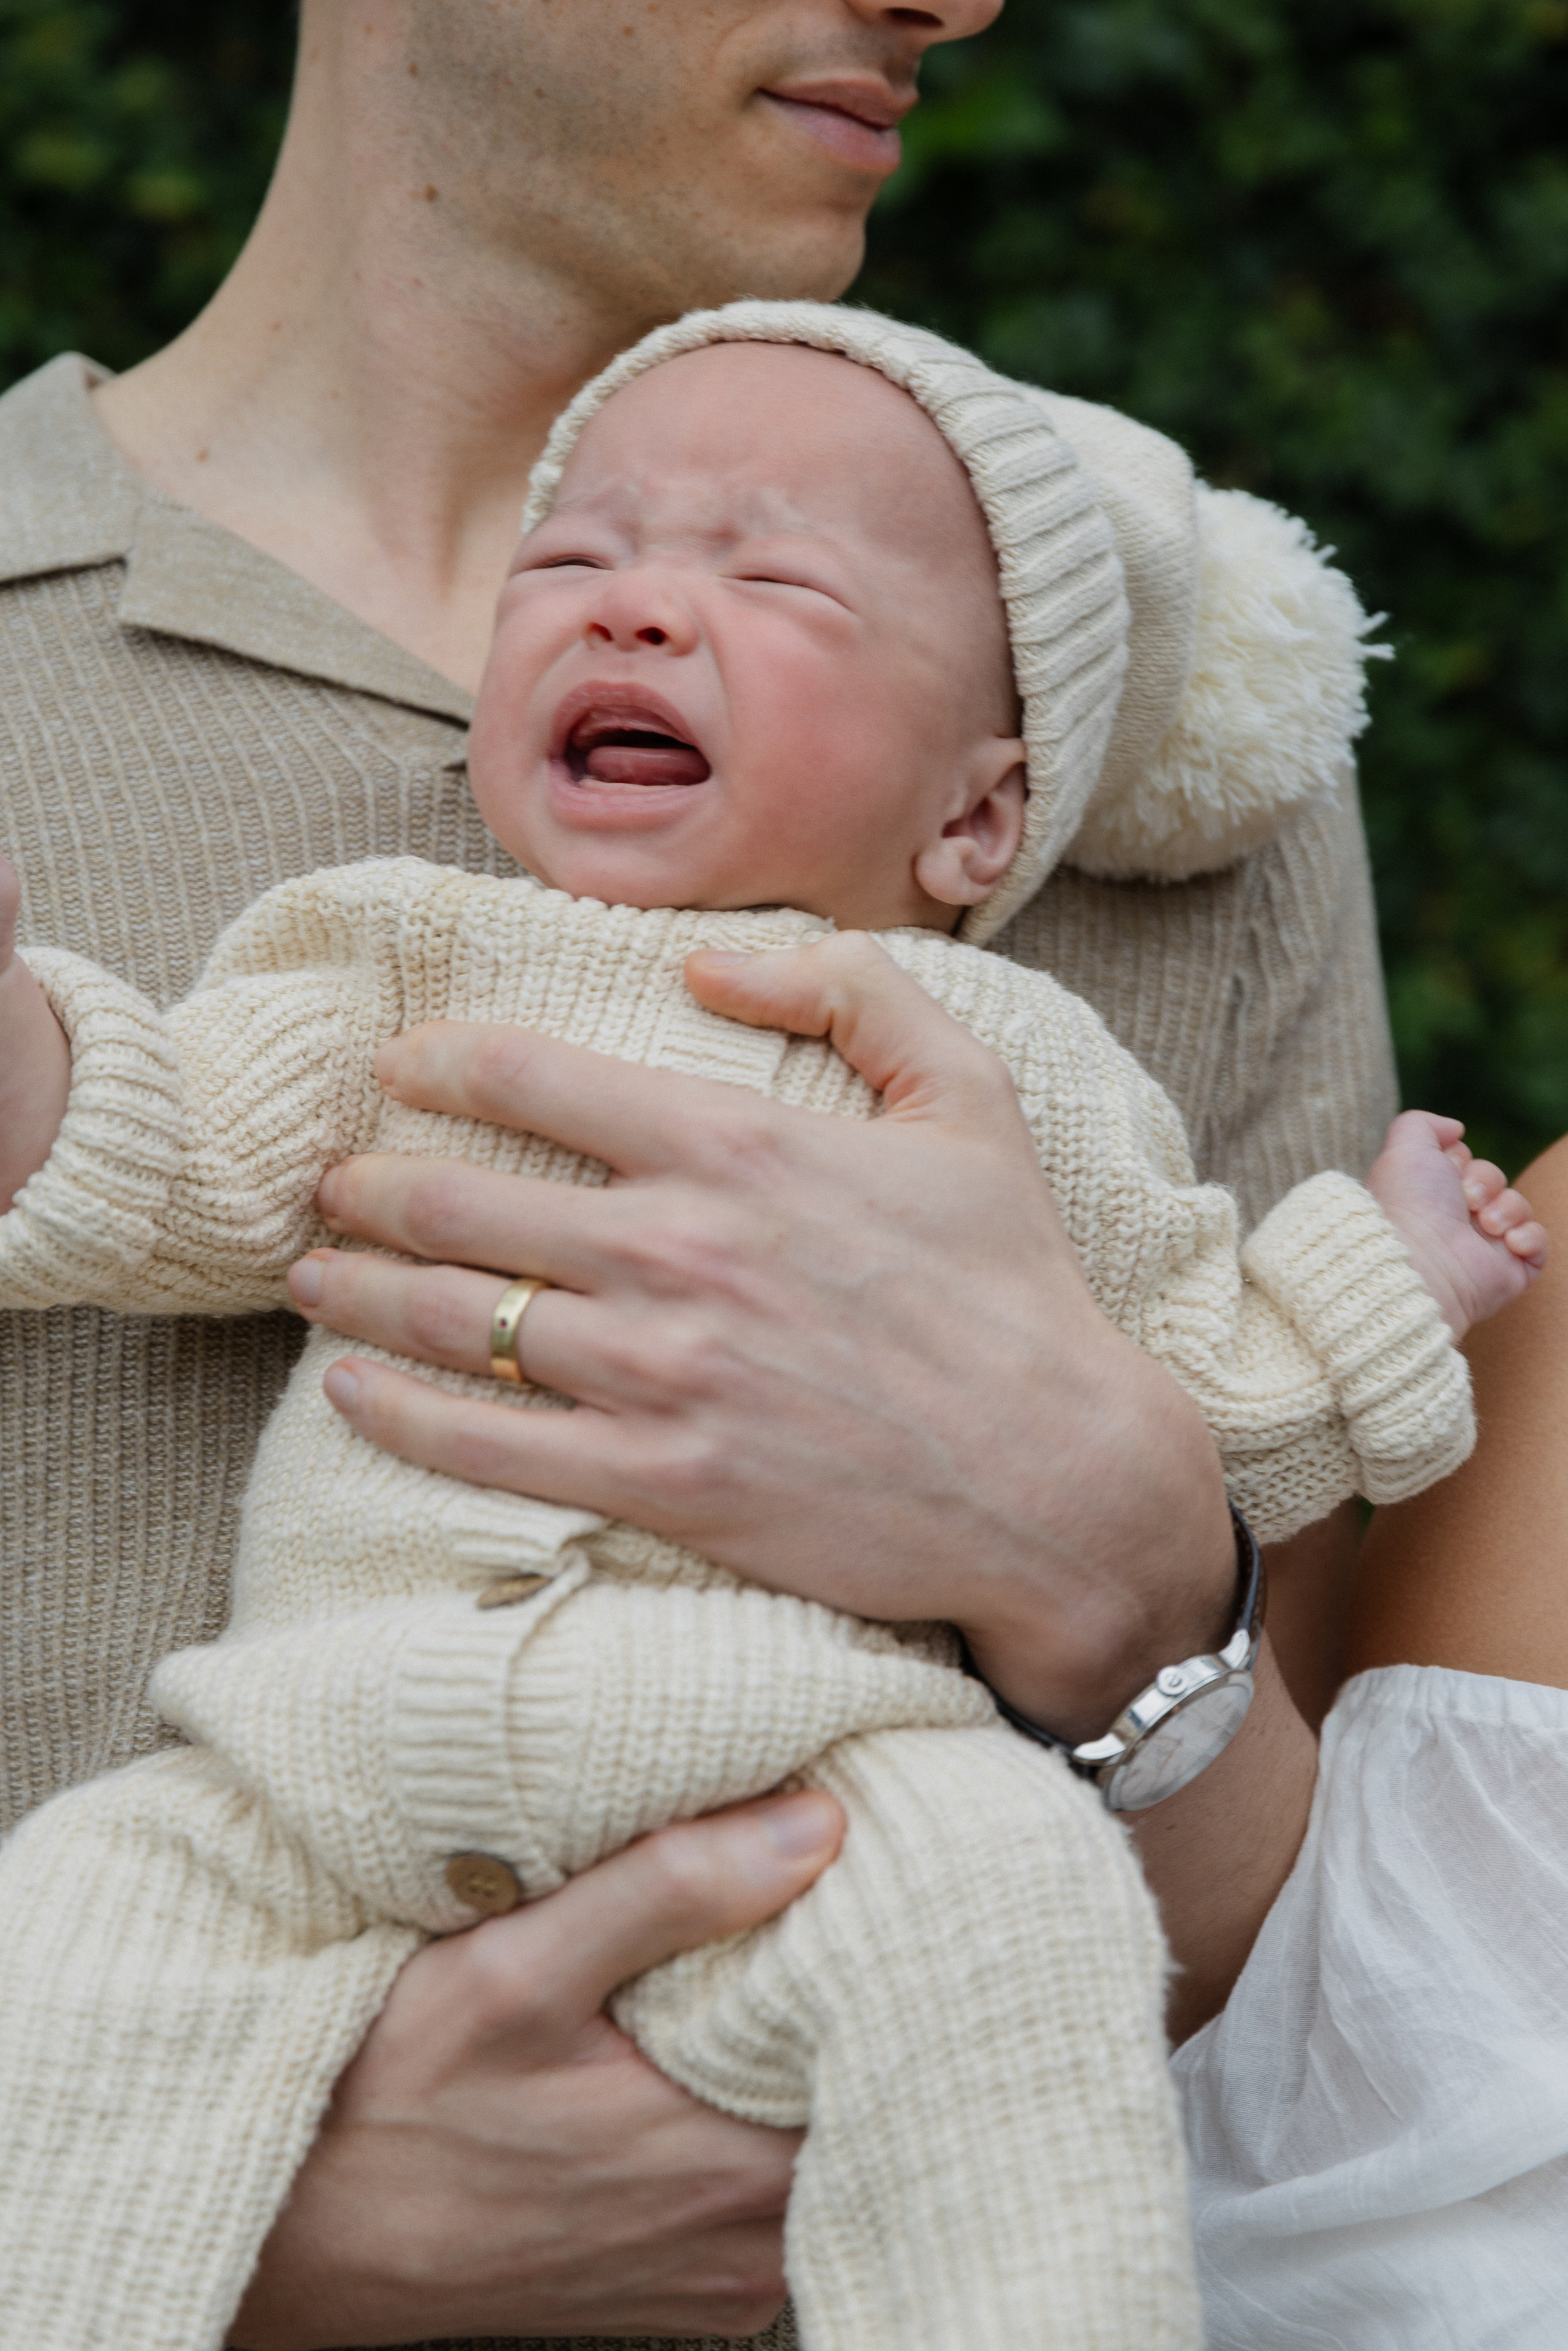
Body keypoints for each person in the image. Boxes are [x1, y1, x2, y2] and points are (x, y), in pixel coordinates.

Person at [0, 3, 1402, 2344]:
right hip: (268, 1836)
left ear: (980, 809)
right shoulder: (294, 909)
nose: (954, 1)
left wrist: (1114, 1554)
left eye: (778, 582)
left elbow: (1353, 2020)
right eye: (590, 556)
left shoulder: (1152, 782)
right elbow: (150, 1146)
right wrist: (284, 2245)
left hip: (855, 1838)